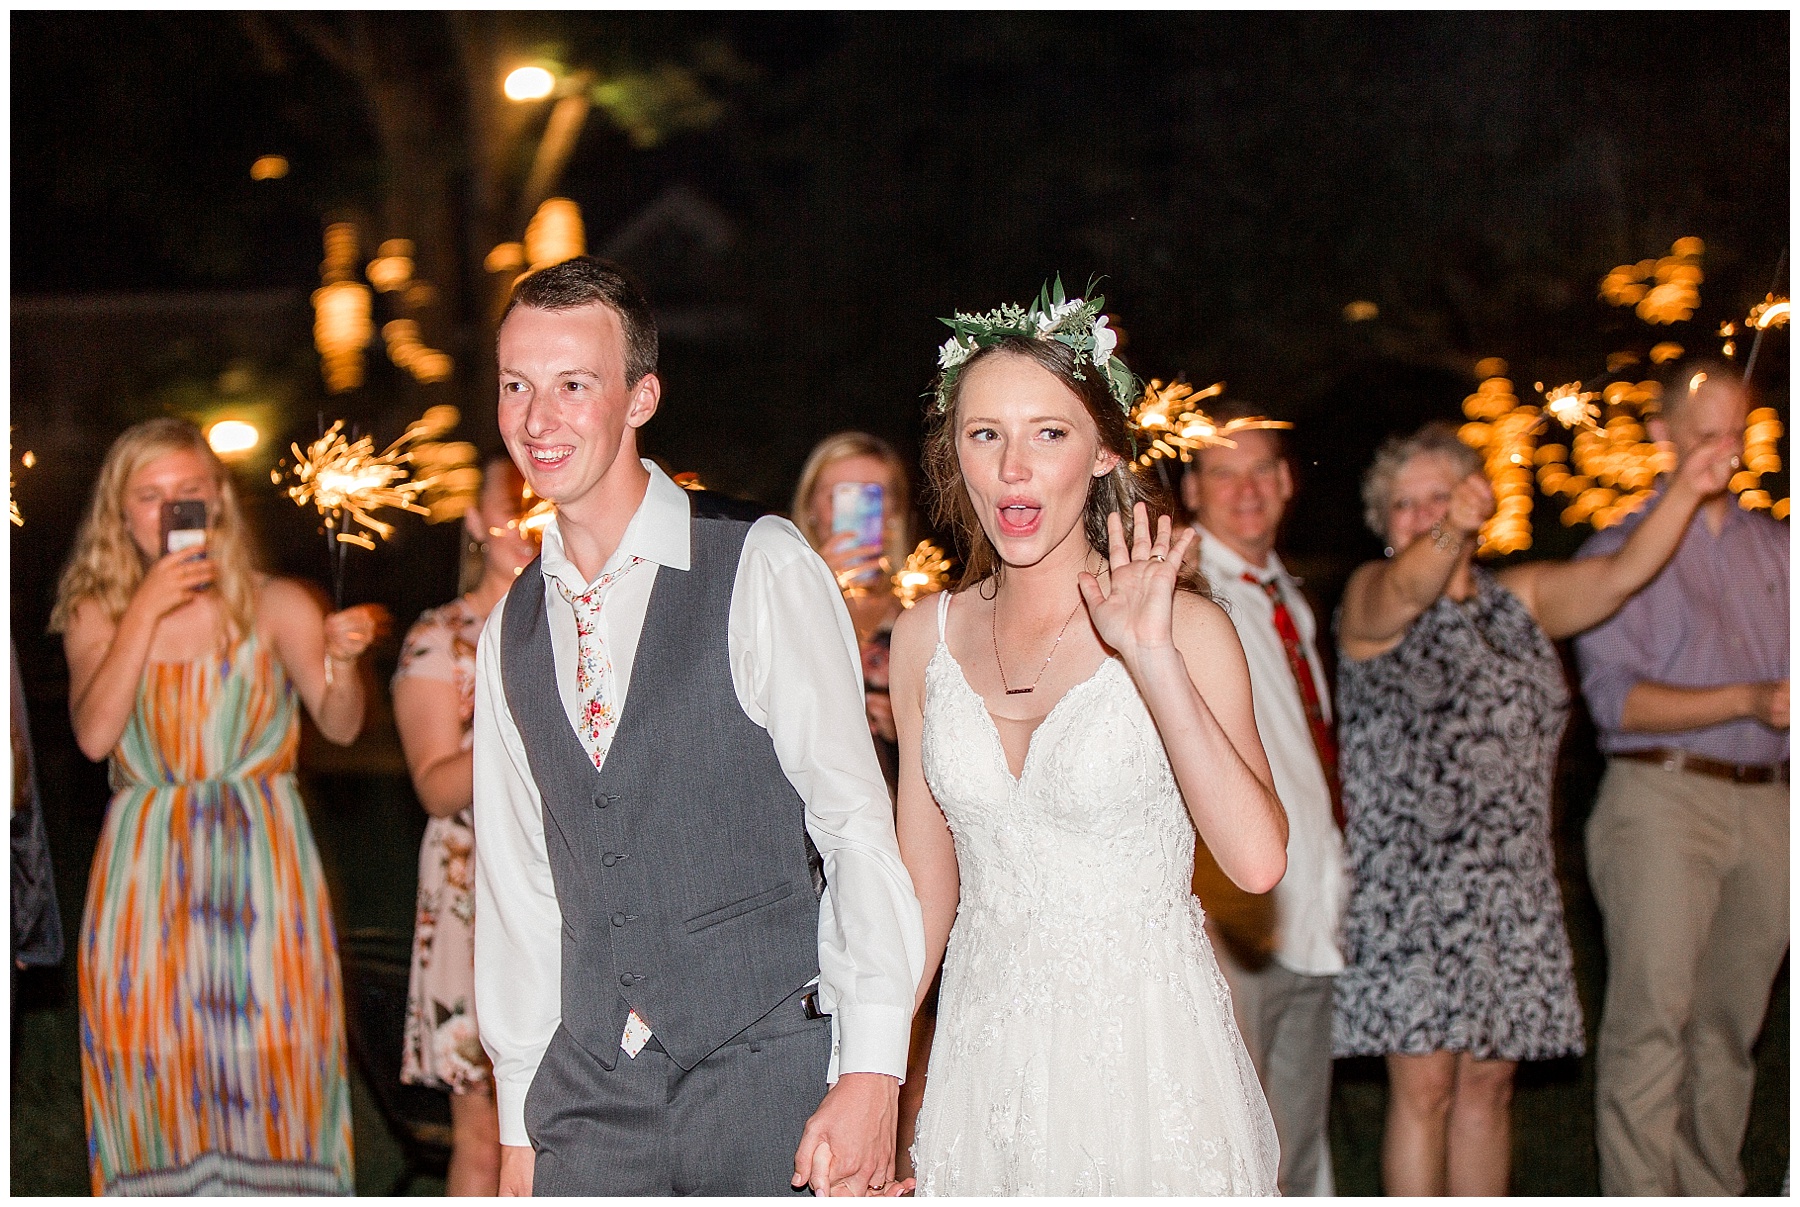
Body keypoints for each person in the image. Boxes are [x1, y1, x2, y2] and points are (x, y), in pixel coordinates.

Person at [471, 256, 925, 1197]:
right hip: (588, 1096)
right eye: (516, 385)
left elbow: (852, 824)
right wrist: (520, 1121)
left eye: (571, 385)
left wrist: (873, 1066)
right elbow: (518, 888)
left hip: (766, 1071)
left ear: (641, 396)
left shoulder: (758, 563)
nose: (536, 418)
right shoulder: (506, 629)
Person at [891, 283, 1287, 1195]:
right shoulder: (926, 638)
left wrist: (1149, 658)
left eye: (1049, 433)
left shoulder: (1188, 630)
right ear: (957, 454)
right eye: (985, 434)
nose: (1013, 468)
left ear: (1104, 450)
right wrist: (874, 1072)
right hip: (982, 1060)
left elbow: (1258, 860)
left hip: (1145, 1060)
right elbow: (924, 889)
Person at [1332, 417, 1737, 1196]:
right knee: (1425, 1092)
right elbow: (1414, 584)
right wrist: (1454, 520)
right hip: (1413, 891)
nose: (1425, 515)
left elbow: (1621, 577)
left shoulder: (1520, 600)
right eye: (1408, 505)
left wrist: (1688, 485)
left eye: (1440, 497)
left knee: (1488, 1089)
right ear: (1386, 525)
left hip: (1511, 886)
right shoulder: (1371, 601)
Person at [51, 417, 381, 1195]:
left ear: (219, 503)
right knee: (151, 1057)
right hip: (147, 873)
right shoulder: (95, 610)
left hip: (264, 868)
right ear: (120, 512)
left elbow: (340, 723)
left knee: (275, 1054)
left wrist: (342, 662)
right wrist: (146, 610)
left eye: (189, 493)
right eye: (150, 496)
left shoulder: (278, 604)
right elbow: (96, 735)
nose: (171, 513)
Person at [1572, 364, 1788, 1196]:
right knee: (1652, 1023)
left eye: (1736, 430)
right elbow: (1615, 701)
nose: (1723, 448)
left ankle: (1712, 1188)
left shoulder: (1780, 546)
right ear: (1663, 435)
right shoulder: (1613, 552)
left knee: (1730, 1029)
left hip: (1770, 803)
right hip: (1660, 802)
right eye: (1704, 431)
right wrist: (1745, 698)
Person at [1180, 403, 1345, 1196]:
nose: (1244, 490)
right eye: (1223, 472)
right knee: (1233, 1142)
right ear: (1192, 488)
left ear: (1285, 484)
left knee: (1298, 1134)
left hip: (1306, 896)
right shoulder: (1186, 592)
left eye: (1260, 471)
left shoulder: (1289, 596)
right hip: (1229, 907)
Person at [393, 454, 537, 1196]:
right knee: (485, 1139)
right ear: (477, 522)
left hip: (566, 889)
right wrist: (509, 715)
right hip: (471, 896)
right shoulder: (439, 637)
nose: (529, 516)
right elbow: (433, 784)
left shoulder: (592, 621)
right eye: (510, 503)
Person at [790, 432, 917, 787]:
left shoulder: (922, 611)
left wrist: (911, 729)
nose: (858, 511)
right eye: (842, 495)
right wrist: (811, 587)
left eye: (872, 496)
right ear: (812, 508)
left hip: (894, 808)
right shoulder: (778, 599)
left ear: (894, 511)